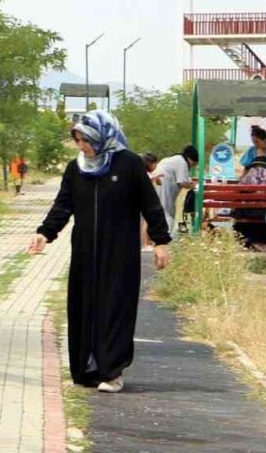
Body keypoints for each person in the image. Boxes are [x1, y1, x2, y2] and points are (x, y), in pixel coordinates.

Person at [30, 111, 171, 394]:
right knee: (84, 307)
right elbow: (63, 205)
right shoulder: (76, 168)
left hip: (120, 251)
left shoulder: (128, 163)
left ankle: (113, 370)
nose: (83, 147)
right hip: (84, 250)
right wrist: (45, 233)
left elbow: (150, 205)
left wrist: (161, 241)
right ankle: (87, 368)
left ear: (104, 136)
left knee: (114, 308)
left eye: (87, 140)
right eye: (79, 140)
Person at [151, 146, 199, 243]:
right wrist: (192, 185)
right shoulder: (182, 162)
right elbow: (182, 182)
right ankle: (164, 238)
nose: (192, 166)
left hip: (159, 184)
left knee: (162, 211)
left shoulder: (176, 159)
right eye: (194, 164)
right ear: (190, 159)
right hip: (164, 186)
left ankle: (158, 237)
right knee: (167, 211)